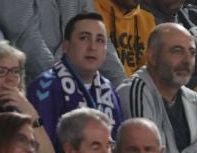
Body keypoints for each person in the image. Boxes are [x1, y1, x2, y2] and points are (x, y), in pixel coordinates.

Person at [118, 23, 197, 153]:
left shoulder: (195, 102)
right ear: (153, 57)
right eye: (177, 51)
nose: (187, 61)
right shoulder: (135, 91)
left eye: (192, 53)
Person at [28, 11, 127, 145]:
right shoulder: (45, 86)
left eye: (99, 40)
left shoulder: (109, 89)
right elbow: (40, 149)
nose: (92, 47)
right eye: (84, 38)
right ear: (66, 46)